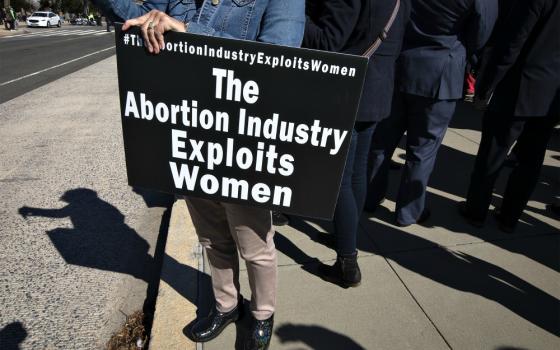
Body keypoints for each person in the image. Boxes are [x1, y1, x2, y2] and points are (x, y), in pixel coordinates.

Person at [97, 0, 305, 348]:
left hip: (244, 145)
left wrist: (190, 32)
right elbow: (135, 13)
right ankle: (226, 306)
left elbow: (278, 60)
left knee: (254, 245)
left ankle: (262, 314)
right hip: (192, 138)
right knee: (212, 238)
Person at [302, 0, 408, 287]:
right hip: (376, 88)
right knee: (356, 172)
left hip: (347, 93)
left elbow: (327, 40)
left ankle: (347, 263)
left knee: (339, 180)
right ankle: (345, 235)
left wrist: (296, 14)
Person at [365, 0, 498, 226]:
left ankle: (368, 197)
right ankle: (408, 212)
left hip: (403, 63)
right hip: (441, 71)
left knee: (382, 141)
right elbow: (482, 33)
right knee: (423, 150)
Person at [460, 0, 560, 233]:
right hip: (550, 96)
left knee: (493, 153)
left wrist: (486, 87)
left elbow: (512, 43)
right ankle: (509, 217)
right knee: (531, 160)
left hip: (519, 89)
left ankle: (476, 211)